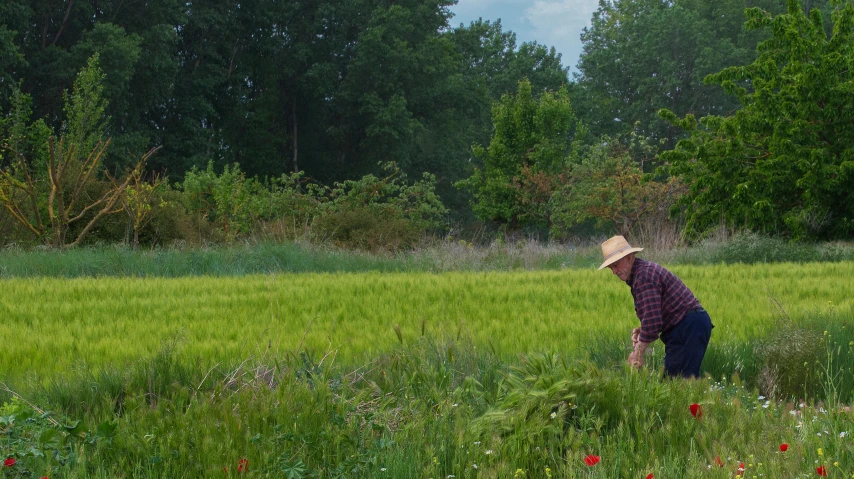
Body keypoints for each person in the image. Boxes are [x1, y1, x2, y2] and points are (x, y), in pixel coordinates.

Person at [598, 235, 713, 378]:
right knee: (679, 384)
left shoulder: (643, 276)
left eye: (616, 265)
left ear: (629, 257)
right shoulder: (641, 274)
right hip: (689, 325)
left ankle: (695, 401)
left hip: (687, 327)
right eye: (610, 268)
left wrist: (637, 354)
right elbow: (655, 316)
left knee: (678, 384)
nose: (614, 271)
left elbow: (653, 322)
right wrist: (643, 330)